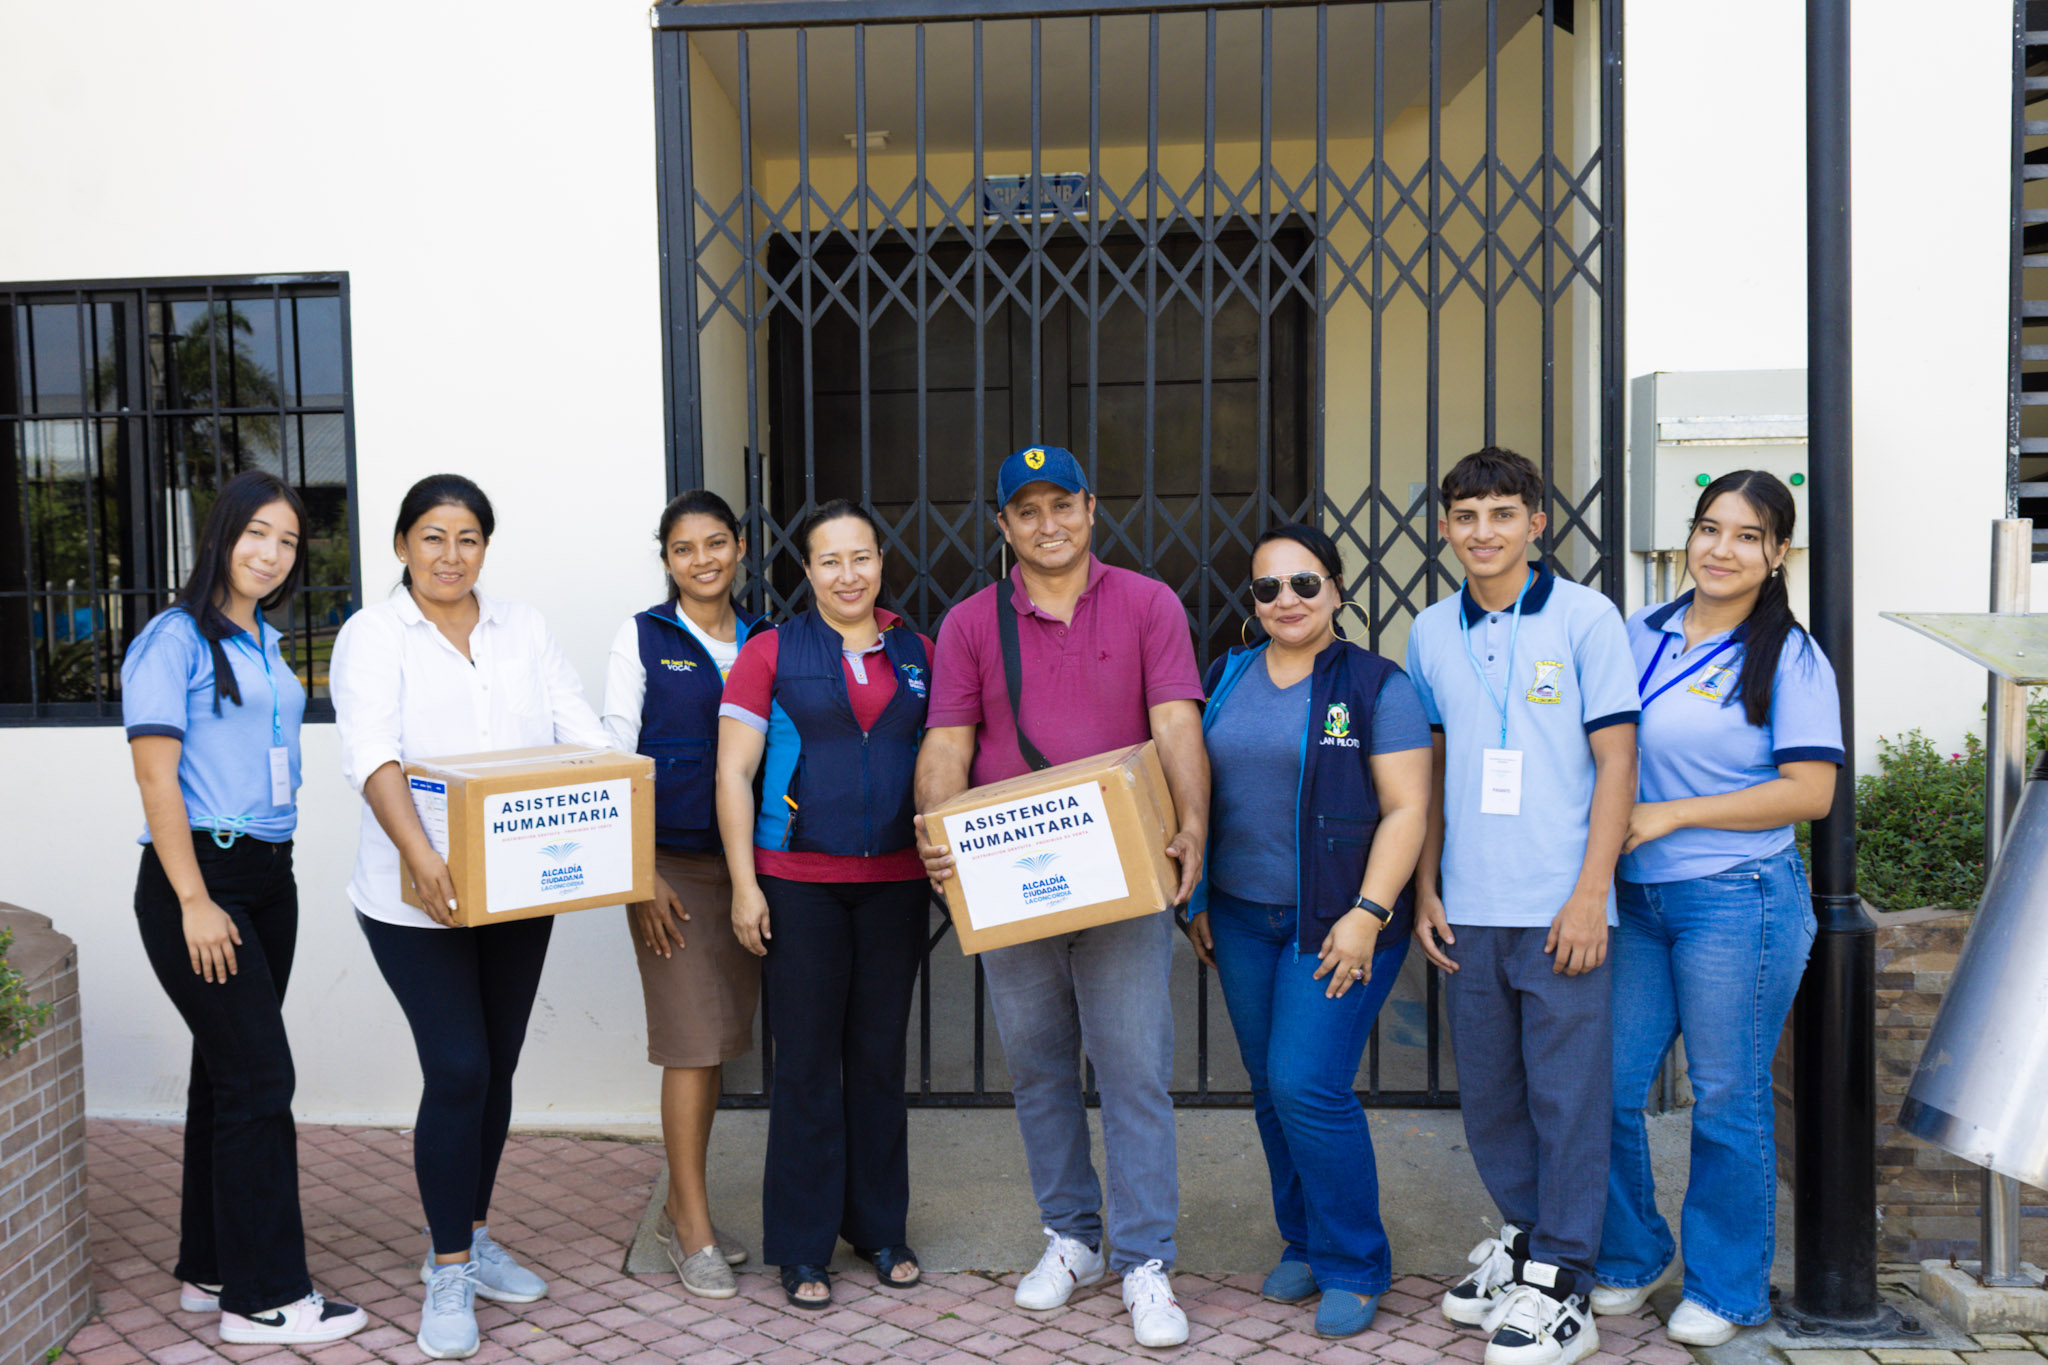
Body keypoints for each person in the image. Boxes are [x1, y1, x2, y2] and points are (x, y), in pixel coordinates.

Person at [913, 446, 1210, 1351]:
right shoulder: (971, 622)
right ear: (1003, 525)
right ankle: (1072, 1236)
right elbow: (948, 741)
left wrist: (1194, 822)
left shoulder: (1148, 603)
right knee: (1039, 1068)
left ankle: (1144, 1258)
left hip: (1121, 875)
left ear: (1090, 508)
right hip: (1012, 882)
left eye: (1062, 505)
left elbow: (1175, 723)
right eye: (1027, 510)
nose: (1048, 524)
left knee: (1132, 1070)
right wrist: (934, 827)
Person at [331, 474, 610, 1361]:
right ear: (402, 544)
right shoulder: (374, 635)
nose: (450, 555)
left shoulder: (521, 626)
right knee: (457, 1068)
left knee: (496, 1068)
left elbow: (581, 732)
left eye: (468, 538)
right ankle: (447, 1269)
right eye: (433, 536)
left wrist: (621, 800)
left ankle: (473, 1232)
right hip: (413, 898)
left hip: (517, 888)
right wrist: (422, 855)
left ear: (486, 546)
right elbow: (371, 753)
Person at [1589, 471, 1840, 1347]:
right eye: (1708, 528)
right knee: (1605, 1084)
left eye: (1746, 535)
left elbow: (1810, 791)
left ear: (1777, 553)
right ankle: (1631, 1252)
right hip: (1635, 898)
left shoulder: (1791, 658)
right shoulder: (1640, 632)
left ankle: (1727, 1286)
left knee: (1727, 1095)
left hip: (1739, 897)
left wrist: (1674, 814)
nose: (1720, 549)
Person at [121, 470, 369, 1348]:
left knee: (225, 1074)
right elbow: (156, 778)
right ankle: (265, 1298)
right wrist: (193, 899)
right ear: (222, 534)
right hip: (202, 878)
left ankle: (213, 1266)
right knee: (261, 1080)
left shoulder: (264, 638)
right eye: (257, 532)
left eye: (289, 540)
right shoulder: (173, 638)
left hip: (269, 875)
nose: (272, 552)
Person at [1408, 447, 1638, 1365]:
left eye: (1503, 513)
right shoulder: (1431, 630)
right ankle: (1527, 1240)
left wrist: (1591, 893)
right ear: (1444, 528)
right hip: (1470, 904)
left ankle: (1565, 1281)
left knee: (1567, 1099)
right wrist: (1426, 885)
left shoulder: (1586, 617)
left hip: (1560, 906)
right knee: (1493, 1098)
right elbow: (1430, 769)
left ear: (1536, 523)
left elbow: (1617, 761)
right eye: (1466, 516)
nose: (1484, 531)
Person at [1183, 524, 1432, 1340]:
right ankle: (1306, 1238)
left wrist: (1368, 912)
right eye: (1268, 587)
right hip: (1241, 917)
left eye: (1304, 582)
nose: (1286, 599)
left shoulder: (1377, 685)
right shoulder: (1227, 675)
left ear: (1336, 586)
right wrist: (1200, 898)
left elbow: (1407, 808)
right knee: (1270, 1086)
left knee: (1306, 1083)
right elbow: (1198, 791)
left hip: (1338, 921)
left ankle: (1356, 1260)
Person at [713, 500, 935, 1311]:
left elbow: (948, 754)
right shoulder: (770, 652)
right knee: (806, 1064)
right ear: (806, 570)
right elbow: (733, 773)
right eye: (830, 560)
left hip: (895, 884)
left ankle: (878, 1228)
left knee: (877, 1061)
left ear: (881, 562)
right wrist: (745, 885)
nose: (849, 574)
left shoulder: (918, 651)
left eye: (861, 556)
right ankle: (803, 1243)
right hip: (797, 883)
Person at [601, 490, 764, 1299]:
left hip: (755, 866)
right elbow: (612, 757)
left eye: (715, 542)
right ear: (666, 559)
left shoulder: (767, 637)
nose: (702, 560)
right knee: (691, 1044)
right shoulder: (642, 637)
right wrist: (640, 876)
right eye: (683, 548)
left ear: (740, 548)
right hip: (671, 869)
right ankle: (692, 1227)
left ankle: (679, 1207)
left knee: (720, 1041)